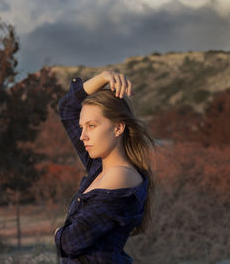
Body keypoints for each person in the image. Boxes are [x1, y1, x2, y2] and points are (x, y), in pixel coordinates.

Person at [54, 71, 155, 263]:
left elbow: (70, 242)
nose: (83, 135)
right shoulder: (99, 168)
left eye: (91, 126)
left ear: (118, 128)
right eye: (82, 127)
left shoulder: (121, 177)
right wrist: (104, 77)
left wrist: (58, 234)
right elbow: (68, 107)